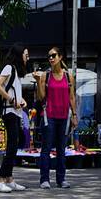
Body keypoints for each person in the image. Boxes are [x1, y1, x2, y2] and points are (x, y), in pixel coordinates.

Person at [36, 47, 77, 189]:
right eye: (49, 56)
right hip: (49, 116)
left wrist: (75, 115)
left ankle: (61, 179)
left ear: (60, 57)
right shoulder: (45, 76)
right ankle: (44, 179)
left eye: (53, 56)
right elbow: (41, 97)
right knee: (46, 149)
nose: (51, 58)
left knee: (61, 149)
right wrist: (38, 83)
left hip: (64, 117)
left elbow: (72, 97)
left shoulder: (68, 76)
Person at [0, 44, 29, 193]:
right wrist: (12, 100)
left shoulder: (15, 72)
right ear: (19, 54)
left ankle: (9, 178)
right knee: (12, 146)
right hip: (9, 113)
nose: (27, 57)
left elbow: (13, 91)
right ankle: (0, 180)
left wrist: (22, 100)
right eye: (26, 54)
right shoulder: (9, 68)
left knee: (15, 145)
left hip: (16, 112)